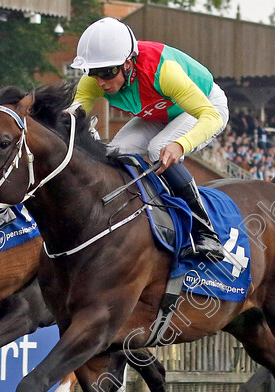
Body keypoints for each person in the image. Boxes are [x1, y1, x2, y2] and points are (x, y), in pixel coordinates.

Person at [70, 17, 229, 259]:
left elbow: (210, 116)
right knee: (116, 151)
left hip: (206, 106)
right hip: (160, 111)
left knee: (160, 149)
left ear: (128, 63)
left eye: (107, 72)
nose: (101, 82)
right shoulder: (95, 80)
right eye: (93, 73)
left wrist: (180, 144)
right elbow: (72, 116)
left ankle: (206, 233)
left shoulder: (163, 71)